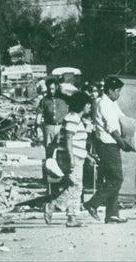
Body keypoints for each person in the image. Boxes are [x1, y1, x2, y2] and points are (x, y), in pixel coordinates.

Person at [83, 76, 135, 224]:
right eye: (117, 91)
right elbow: (111, 127)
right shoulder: (103, 103)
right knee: (116, 178)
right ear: (110, 90)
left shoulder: (111, 103)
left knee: (112, 178)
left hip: (111, 144)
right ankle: (93, 203)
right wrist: (123, 143)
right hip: (107, 144)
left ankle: (112, 214)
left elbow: (121, 118)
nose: (119, 94)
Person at [44, 92, 92, 228]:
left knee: (76, 186)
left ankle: (72, 218)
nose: (89, 106)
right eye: (87, 104)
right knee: (75, 186)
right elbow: (69, 139)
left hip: (77, 156)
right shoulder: (73, 118)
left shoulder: (75, 118)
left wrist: (87, 156)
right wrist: (71, 158)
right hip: (71, 157)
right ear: (81, 105)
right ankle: (53, 206)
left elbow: (76, 141)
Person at [37, 78, 68, 151]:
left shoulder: (64, 99)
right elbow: (39, 113)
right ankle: (48, 161)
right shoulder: (44, 100)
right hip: (48, 127)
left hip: (61, 127)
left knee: (60, 148)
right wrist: (38, 126)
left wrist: (63, 91)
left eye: (53, 89)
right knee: (48, 149)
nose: (51, 91)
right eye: (49, 89)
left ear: (56, 87)